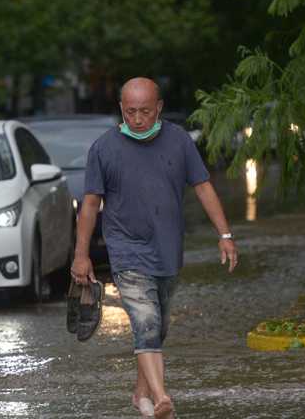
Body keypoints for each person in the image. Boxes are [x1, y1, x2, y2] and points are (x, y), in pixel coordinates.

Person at [71, 77, 238, 418]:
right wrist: (81, 254)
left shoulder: (178, 142)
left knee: (158, 326)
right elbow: (90, 205)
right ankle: (162, 399)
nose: (137, 119)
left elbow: (203, 187)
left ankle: (140, 394)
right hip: (126, 249)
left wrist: (225, 236)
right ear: (121, 109)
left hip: (167, 249)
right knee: (145, 320)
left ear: (159, 108)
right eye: (130, 111)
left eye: (145, 111)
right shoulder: (103, 148)